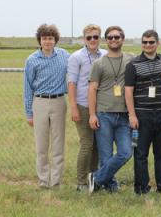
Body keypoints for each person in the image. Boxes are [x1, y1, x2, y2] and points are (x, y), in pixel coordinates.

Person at [88, 26, 134, 193]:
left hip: (123, 116)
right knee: (106, 155)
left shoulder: (131, 60)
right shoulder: (98, 63)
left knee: (126, 152)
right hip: (104, 114)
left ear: (122, 38)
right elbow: (92, 89)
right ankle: (110, 185)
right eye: (110, 38)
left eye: (117, 37)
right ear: (106, 40)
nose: (113, 40)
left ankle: (96, 178)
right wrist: (92, 115)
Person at [125, 30, 161, 195]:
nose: (147, 45)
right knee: (140, 153)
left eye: (151, 42)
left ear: (157, 43)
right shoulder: (133, 65)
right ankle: (141, 187)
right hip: (141, 115)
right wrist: (132, 115)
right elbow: (128, 92)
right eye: (144, 42)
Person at [23, 24, 69, 188]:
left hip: (59, 102)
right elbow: (28, 87)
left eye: (50, 38)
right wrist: (29, 113)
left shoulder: (64, 55)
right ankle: (43, 181)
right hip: (40, 102)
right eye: (44, 38)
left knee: (58, 143)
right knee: (41, 146)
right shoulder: (32, 60)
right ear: (40, 40)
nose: (47, 41)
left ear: (55, 40)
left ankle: (56, 182)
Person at [67, 24, 107, 191]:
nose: (92, 40)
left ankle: (94, 179)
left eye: (95, 37)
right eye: (89, 37)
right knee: (87, 144)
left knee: (98, 145)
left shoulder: (105, 55)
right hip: (83, 105)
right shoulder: (76, 57)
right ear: (84, 39)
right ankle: (82, 182)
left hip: (101, 106)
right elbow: (72, 83)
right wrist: (74, 107)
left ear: (100, 38)